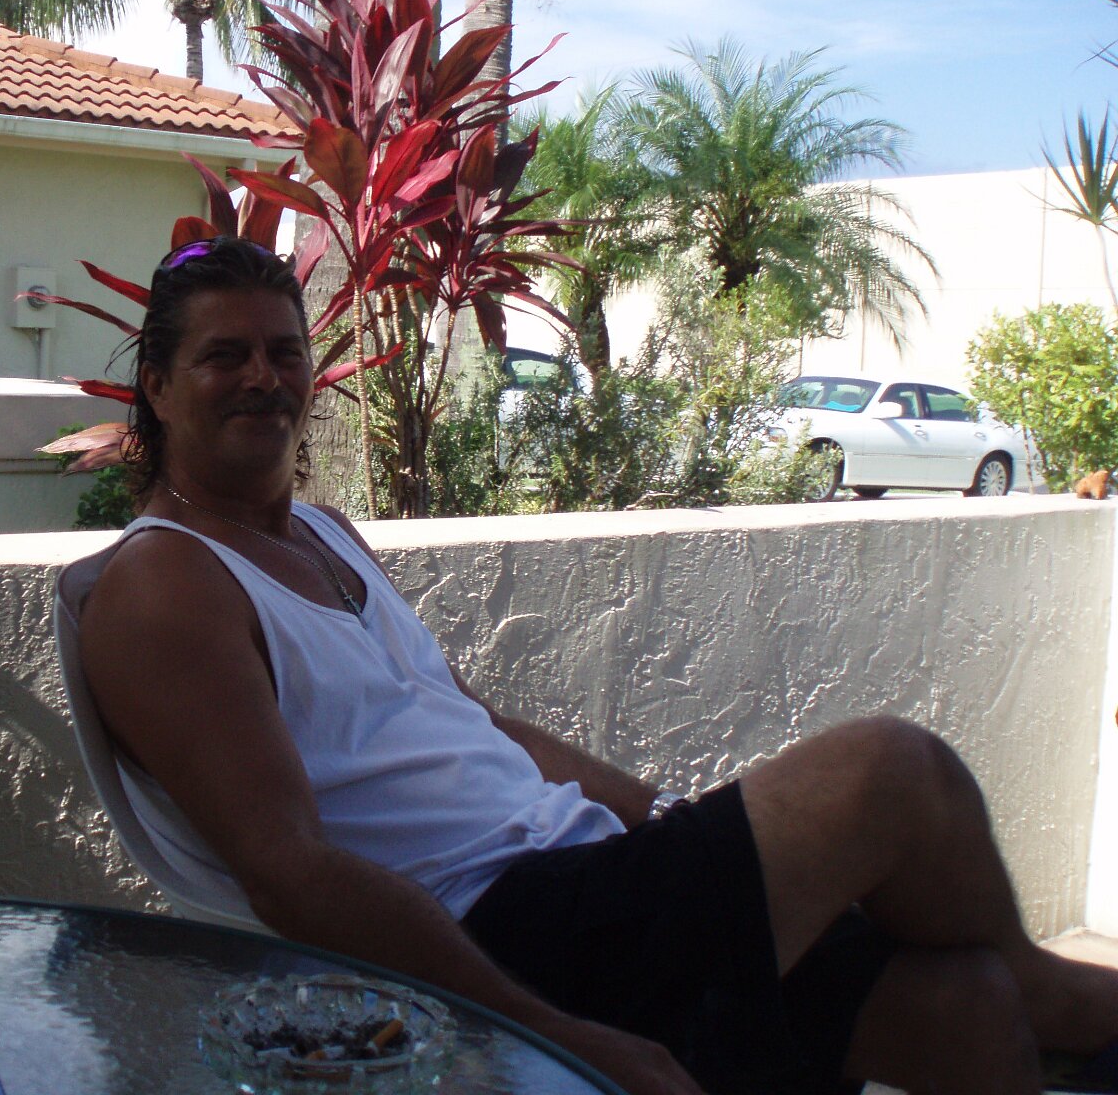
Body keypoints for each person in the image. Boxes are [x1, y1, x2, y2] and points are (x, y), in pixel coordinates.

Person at [74, 236, 1118, 1095]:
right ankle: (1066, 1001)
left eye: (284, 351)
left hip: (583, 878)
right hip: (502, 933)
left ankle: (1033, 997)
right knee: (890, 772)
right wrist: (544, 1030)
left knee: (965, 1010)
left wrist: (658, 816)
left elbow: (477, 724)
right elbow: (289, 873)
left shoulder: (325, 535)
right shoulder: (166, 582)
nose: (264, 378)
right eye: (224, 357)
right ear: (156, 386)